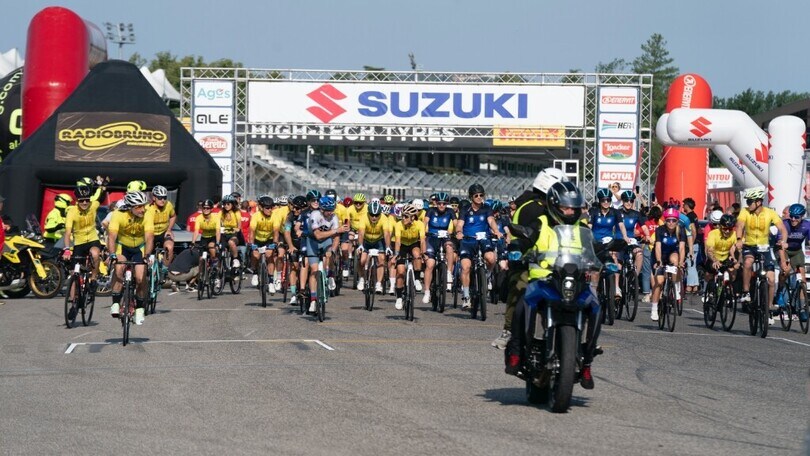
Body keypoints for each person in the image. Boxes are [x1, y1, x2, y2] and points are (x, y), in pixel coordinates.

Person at [505, 181, 602, 389]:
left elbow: (595, 248)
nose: (570, 211)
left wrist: (607, 257)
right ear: (553, 205)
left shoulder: (582, 228)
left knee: (596, 307)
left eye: (573, 207)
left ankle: (587, 362)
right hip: (544, 280)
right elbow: (525, 238)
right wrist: (516, 248)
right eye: (565, 207)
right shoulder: (541, 223)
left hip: (575, 282)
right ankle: (516, 351)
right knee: (522, 304)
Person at [493, 168, 567, 350]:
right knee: (519, 290)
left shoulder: (552, 207)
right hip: (527, 260)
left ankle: (567, 334)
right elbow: (524, 236)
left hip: (554, 262)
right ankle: (509, 331)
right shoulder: (531, 208)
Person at [735, 187, 787, 324]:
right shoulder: (745, 212)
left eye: (750, 201)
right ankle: (746, 292)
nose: (748, 204)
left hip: (764, 248)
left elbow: (782, 228)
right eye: (747, 201)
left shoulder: (770, 213)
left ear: (758, 202)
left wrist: (784, 241)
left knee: (770, 278)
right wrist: (739, 240)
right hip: (750, 246)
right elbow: (739, 225)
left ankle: (768, 307)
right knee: (747, 263)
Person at [107, 191, 154, 326]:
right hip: (122, 246)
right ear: (130, 207)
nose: (142, 209)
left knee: (140, 277)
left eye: (143, 206)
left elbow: (149, 237)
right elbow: (111, 236)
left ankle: (140, 307)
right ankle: (115, 302)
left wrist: (147, 256)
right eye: (138, 207)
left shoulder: (147, 215)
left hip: (139, 247)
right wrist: (112, 255)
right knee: (119, 268)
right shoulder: (118, 215)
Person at [456, 183, 503, 310]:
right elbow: (460, 224)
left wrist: (496, 231)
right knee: (465, 267)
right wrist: (459, 232)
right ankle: (466, 297)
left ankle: (486, 277)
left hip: (483, 240)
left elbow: (491, 221)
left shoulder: (487, 208)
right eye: (476, 195)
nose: (479, 197)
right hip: (468, 241)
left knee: (491, 258)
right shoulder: (465, 209)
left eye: (481, 195)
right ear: (471, 197)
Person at [587, 188, 632, 298]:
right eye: (603, 200)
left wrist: (625, 236)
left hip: (609, 241)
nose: (606, 202)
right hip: (595, 242)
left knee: (614, 258)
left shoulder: (615, 212)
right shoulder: (594, 211)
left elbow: (621, 225)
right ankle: (593, 293)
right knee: (594, 269)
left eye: (608, 200)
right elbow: (589, 227)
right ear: (599, 201)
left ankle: (616, 287)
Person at [304, 196, 346, 313]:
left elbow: (336, 238)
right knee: (314, 270)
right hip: (313, 241)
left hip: (326, 241)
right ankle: (313, 299)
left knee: (330, 254)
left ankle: (330, 274)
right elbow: (318, 235)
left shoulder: (334, 217)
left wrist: (333, 249)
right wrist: (336, 230)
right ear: (321, 209)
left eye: (332, 210)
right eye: (327, 210)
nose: (330, 213)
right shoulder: (315, 215)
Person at [62, 185, 103, 289]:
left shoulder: (93, 205)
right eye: (81, 201)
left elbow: (100, 196)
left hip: (93, 239)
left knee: (95, 254)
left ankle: (93, 278)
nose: (85, 203)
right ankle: (72, 301)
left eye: (87, 200)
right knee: (74, 273)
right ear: (77, 200)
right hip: (79, 243)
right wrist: (66, 249)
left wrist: (101, 186)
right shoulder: (72, 212)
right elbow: (67, 232)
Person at [651, 207, 687, 320]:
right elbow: (657, 247)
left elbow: (681, 248)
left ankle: (675, 286)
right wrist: (659, 261)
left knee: (676, 261)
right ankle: (654, 308)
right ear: (665, 221)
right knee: (659, 282)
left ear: (677, 221)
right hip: (660, 255)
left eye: (674, 220)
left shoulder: (680, 230)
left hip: (672, 253)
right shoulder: (660, 230)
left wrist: (681, 262)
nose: (671, 223)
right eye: (668, 220)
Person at [422, 192, 456, 304]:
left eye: (444, 204)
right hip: (432, 238)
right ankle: (427, 291)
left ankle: (449, 273)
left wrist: (458, 232)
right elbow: (424, 222)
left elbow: (456, 224)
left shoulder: (450, 211)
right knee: (430, 264)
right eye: (439, 203)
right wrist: (423, 232)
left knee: (450, 248)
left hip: (444, 237)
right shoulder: (431, 211)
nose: (441, 206)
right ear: (436, 203)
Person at [392, 204, 426, 310]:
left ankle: (416, 279)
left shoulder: (420, 224)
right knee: (401, 272)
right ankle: (398, 298)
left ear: (412, 217)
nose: (403, 218)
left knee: (417, 254)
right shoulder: (398, 225)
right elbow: (397, 241)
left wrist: (423, 253)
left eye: (406, 216)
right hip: (402, 245)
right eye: (403, 216)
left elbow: (423, 241)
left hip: (413, 244)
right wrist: (396, 254)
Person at [777, 204, 810, 306]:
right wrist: (783, 261)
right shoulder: (784, 224)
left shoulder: (807, 225)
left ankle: (802, 305)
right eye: (791, 216)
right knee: (785, 270)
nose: (793, 219)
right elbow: (780, 244)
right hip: (783, 250)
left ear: (802, 217)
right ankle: (780, 290)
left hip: (797, 251)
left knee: (802, 278)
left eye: (797, 217)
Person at [356, 200, 392, 294]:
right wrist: (360, 245)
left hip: (378, 240)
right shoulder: (364, 218)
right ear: (368, 213)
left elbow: (386, 234)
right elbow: (361, 233)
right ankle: (362, 278)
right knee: (362, 260)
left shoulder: (384, 218)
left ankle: (378, 284)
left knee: (381, 259)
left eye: (377, 215)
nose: (374, 217)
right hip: (366, 240)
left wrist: (388, 247)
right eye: (372, 215)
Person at [248, 196, 278, 292]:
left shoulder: (274, 216)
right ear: (261, 207)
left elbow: (276, 231)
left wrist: (274, 243)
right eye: (267, 208)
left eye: (271, 207)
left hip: (269, 239)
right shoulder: (256, 216)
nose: (270, 210)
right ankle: (255, 273)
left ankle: (270, 281)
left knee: (269, 255)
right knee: (255, 255)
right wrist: (252, 244)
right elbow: (252, 231)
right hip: (257, 239)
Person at [703, 214, 739, 295]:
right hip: (714, 258)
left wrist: (735, 260)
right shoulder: (713, 234)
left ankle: (729, 291)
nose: (727, 231)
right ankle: (710, 293)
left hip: (726, 258)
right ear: (720, 226)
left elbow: (736, 249)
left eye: (730, 229)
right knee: (710, 273)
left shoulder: (734, 234)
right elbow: (709, 251)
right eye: (725, 228)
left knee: (733, 273)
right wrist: (715, 260)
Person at [144, 185, 177, 270]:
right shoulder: (148, 209)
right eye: (160, 197)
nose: (163, 200)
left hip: (163, 232)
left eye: (164, 197)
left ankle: (165, 269)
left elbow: (173, 216)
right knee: (145, 251)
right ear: (154, 198)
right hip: (151, 233)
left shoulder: (168, 205)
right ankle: (145, 269)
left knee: (169, 247)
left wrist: (169, 229)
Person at [283, 196, 307, 305]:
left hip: (306, 243)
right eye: (294, 207)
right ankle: (293, 294)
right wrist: (291, 246)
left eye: (297, 208)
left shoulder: (307, 216)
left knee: (307, 266)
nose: (295, 210)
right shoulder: (290, 217)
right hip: (294, 243)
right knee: (294, 267)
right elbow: (287, 232)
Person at [191, 199, 221, 271]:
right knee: (201, 259)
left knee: (211, 248)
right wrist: (193, 242)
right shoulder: (199, 218)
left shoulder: (216, 218)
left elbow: (218, 231)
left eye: (208, 208)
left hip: (213, 236)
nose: (205, 210)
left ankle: (215, 267)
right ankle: (201, 275)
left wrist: (217, 243)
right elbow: (196, 231)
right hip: (204, 237)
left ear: (211, 209)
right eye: (204, 208)